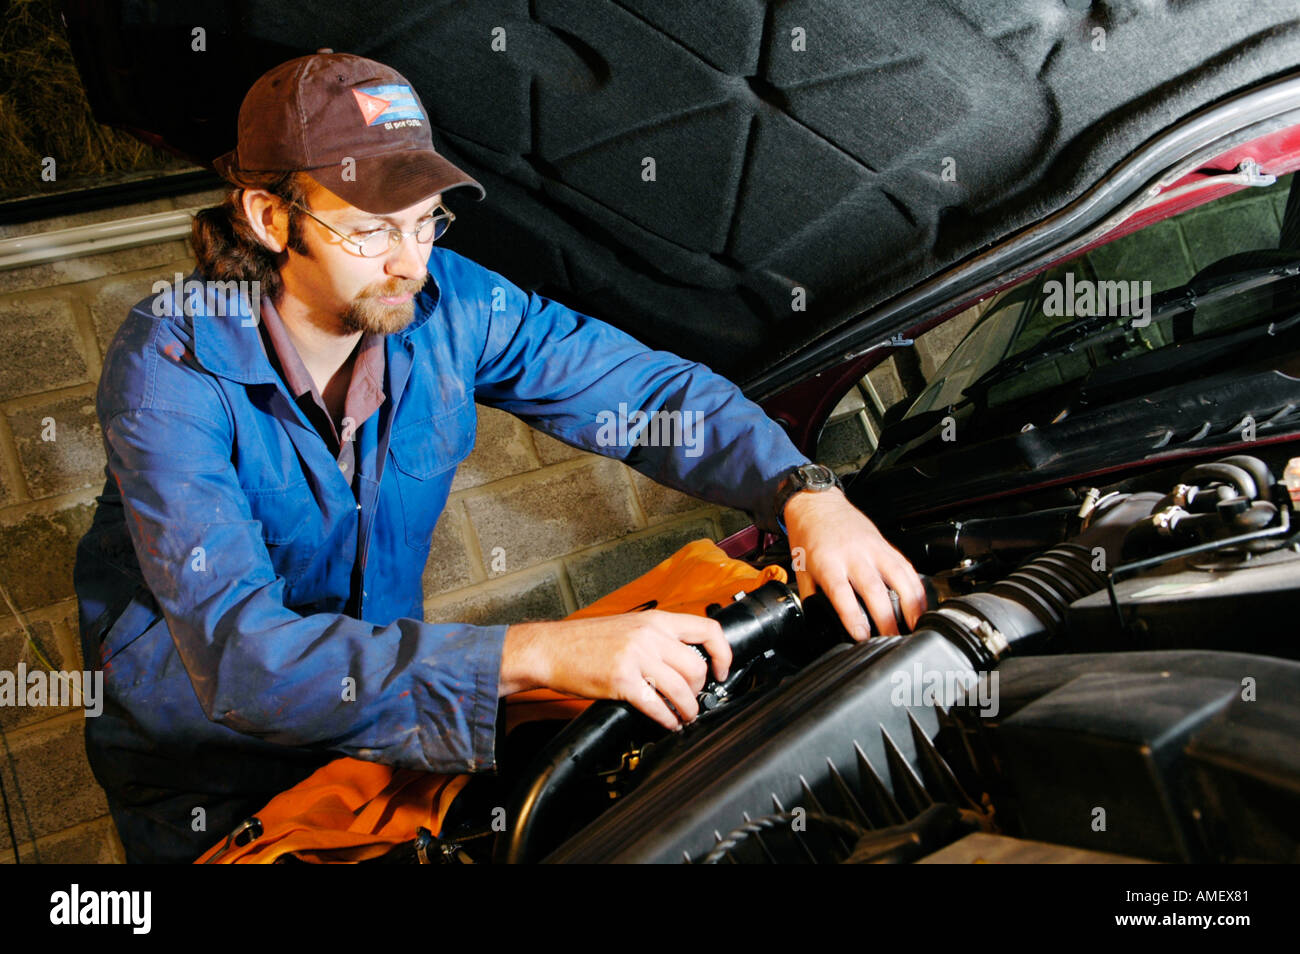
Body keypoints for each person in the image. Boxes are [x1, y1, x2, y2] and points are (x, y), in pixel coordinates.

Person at [73, 52, 926, 863]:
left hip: (394, 715)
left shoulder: (452, 303)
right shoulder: (171, 363)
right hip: (212, 770)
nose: (411, 264)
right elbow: (242, 658)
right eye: (373, 231)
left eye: (425, 222)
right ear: (269, 217)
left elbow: (650, 399)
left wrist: (804, 492)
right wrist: (540, 654)